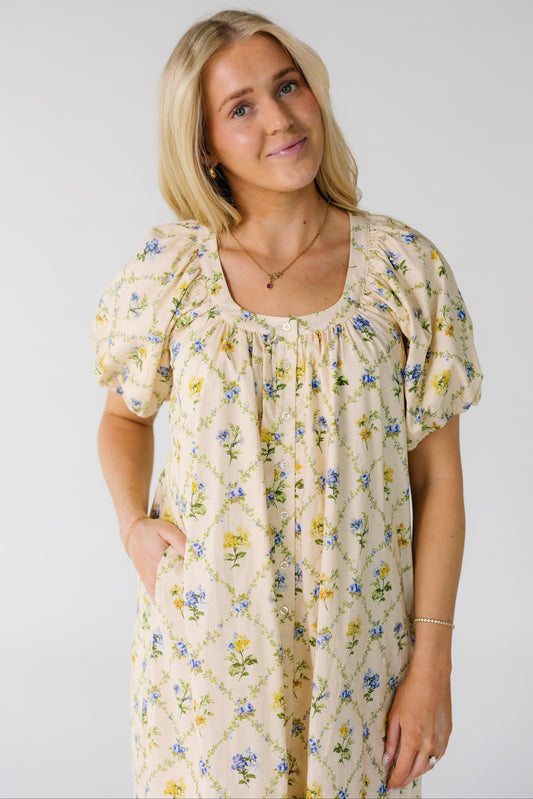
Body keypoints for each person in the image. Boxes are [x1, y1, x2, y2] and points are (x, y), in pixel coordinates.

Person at [91, 9, 482, 799]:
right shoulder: (170, 272)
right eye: (241, 106)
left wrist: (431, 663)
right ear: (205, 143)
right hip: (207, 643)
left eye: (288, 86)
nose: (279, 117)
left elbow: (437, 479)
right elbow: (124, 417)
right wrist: (133, 525)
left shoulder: (403, 270)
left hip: (359, 647)